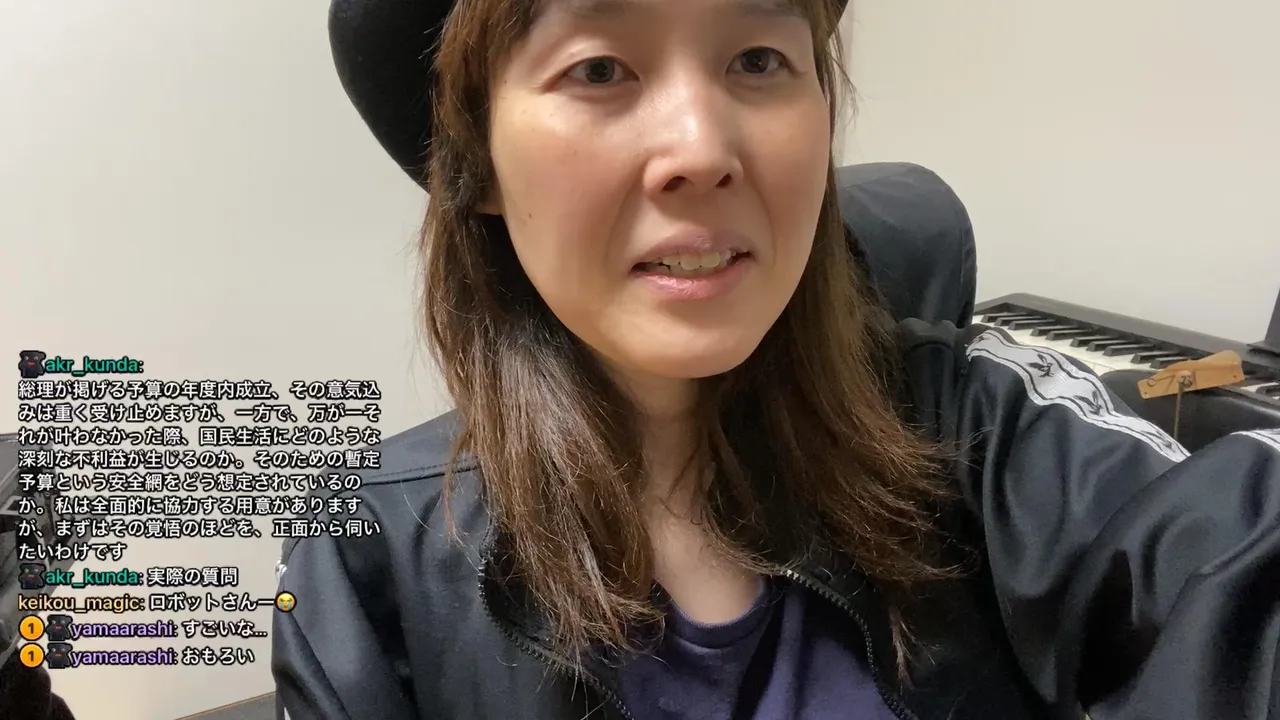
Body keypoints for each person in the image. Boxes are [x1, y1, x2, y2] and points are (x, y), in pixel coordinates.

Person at [272, 0, 1280, 718]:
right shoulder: (365, 557)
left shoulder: (976, 426)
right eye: (598, 68)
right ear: (477, 163)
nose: (702, 149)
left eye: (757, 59)